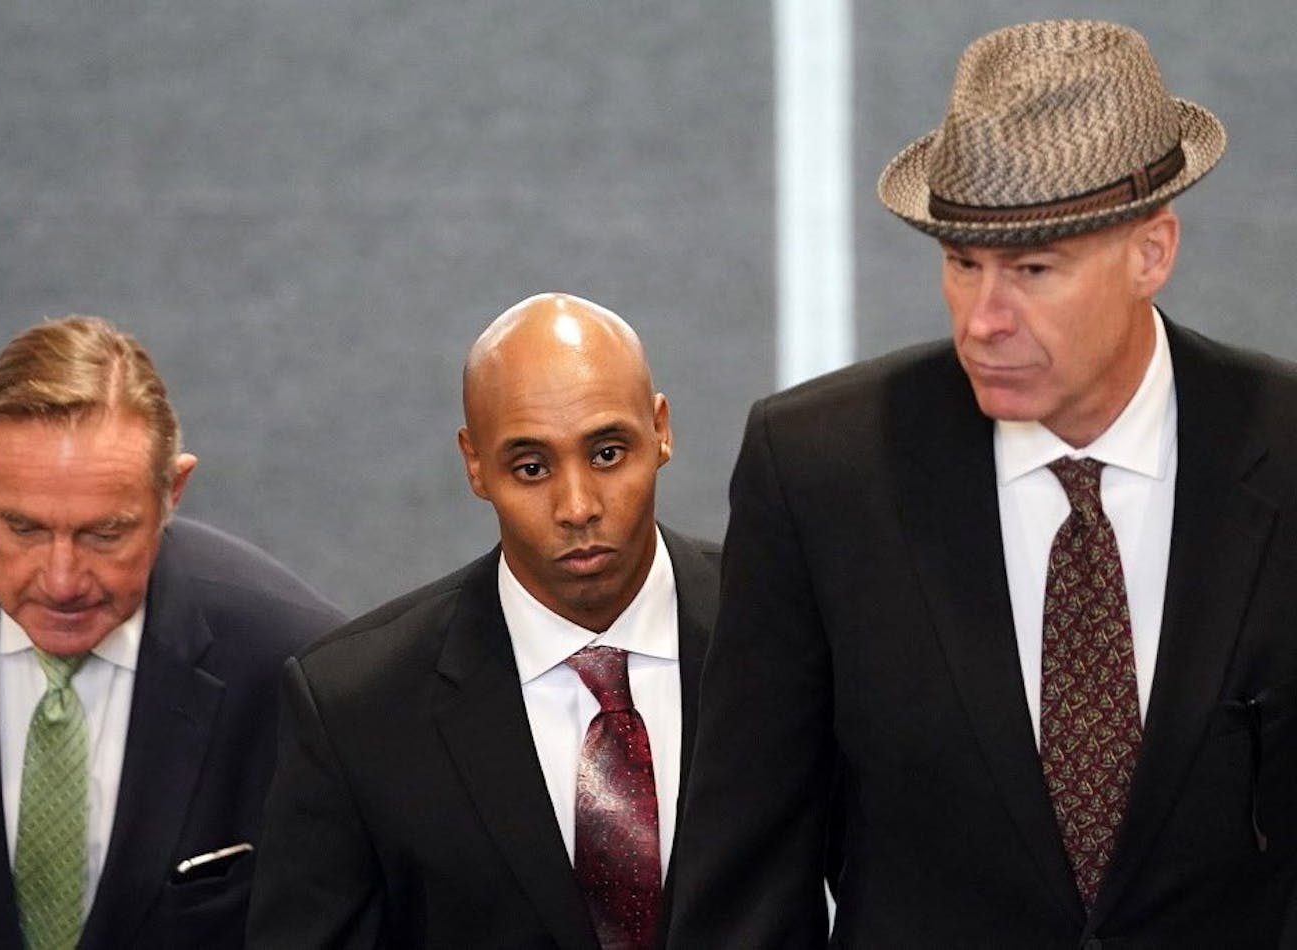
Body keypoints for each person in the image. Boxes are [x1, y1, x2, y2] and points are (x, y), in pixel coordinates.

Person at [667, 19, 1297, 947]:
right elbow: (748, 869)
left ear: (1151, 252)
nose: (983, 321)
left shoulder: (1284, 449)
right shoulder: (817, 472)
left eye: (1033, 270)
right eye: (963, 265)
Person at [247, 293, 719, 949]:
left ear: (661, 429)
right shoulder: (354, 710)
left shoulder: (791, 633)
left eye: (608, 454)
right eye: (531, 468)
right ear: (475, 464)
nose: (578, 506)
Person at [0, 315, 346, 949]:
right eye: (24, 529)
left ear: (172, 491)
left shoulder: (294, 666)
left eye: (106, 534)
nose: (62, 580)